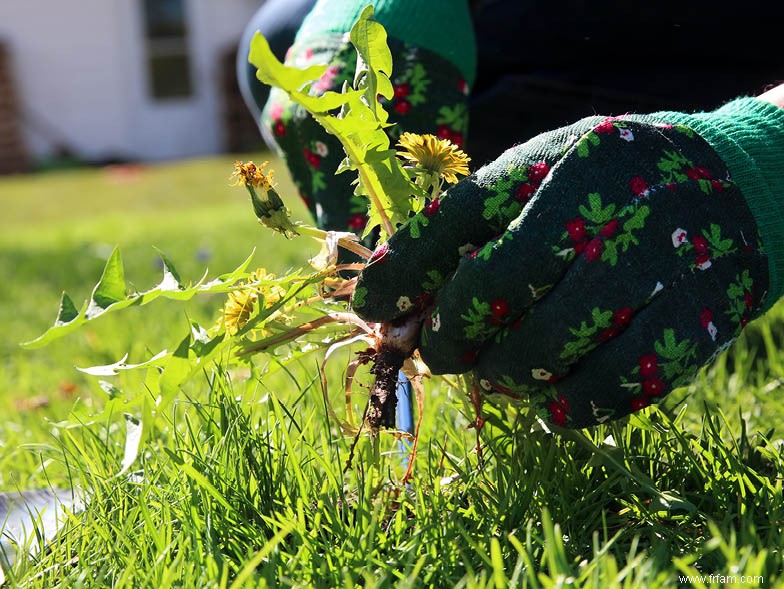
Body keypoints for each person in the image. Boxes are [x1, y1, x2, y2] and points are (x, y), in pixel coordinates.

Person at [239, 0, 784, 428]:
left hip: (733, 51)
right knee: (289, 28)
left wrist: (762, 154)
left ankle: (639, 216)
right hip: (548, 46)